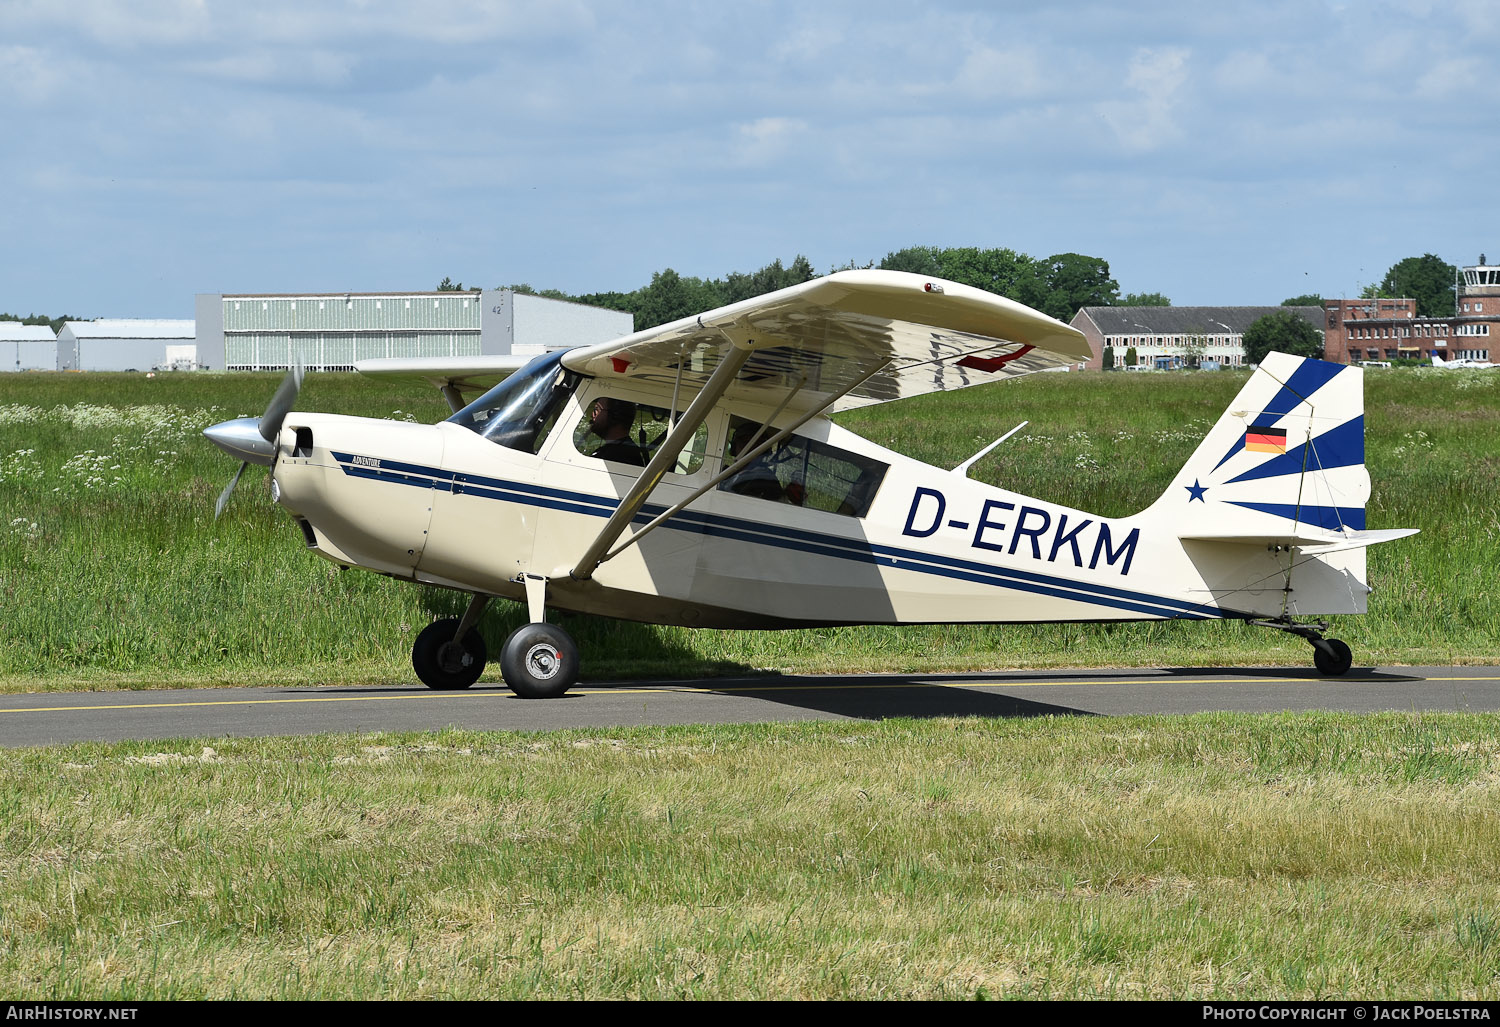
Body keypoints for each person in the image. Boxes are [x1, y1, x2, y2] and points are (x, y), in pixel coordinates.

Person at [585, 397, 647, 467]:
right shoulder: (618, 450)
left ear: (615, 415)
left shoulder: (623, 456)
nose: (592, 415)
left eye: (596, 410)